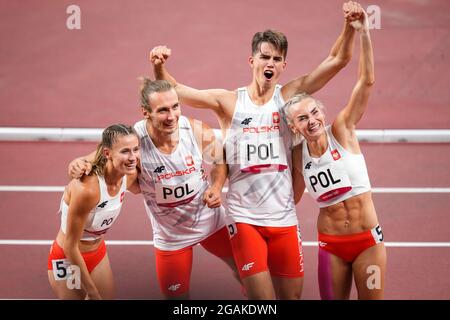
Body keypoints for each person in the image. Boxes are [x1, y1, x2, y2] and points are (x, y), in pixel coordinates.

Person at [150, 2, 364, 300]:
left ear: (283, 66)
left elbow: (337, 60)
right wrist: (160, 65)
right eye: (265, 56)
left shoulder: (289, 97)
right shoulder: (229, 102)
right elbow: (178, 91)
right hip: (244, 218)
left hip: (284, 218)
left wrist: (350, 25)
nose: (271, 63)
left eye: (277, 59)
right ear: (252, 60)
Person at [69, 79, 239, 299]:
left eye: (175, 107)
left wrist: (216, 187)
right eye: (162, 111)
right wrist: (77, 163)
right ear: (145, 112)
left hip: (213, 221)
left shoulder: (194, 130)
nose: (171, 116)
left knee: (248, 273)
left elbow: (220, 160)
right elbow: (91, 161)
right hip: (171, 238)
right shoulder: (133, 140)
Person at [283, 9, 386, 299]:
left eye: (314, 112)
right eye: (302, 119)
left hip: (367, 241)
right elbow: (290, 199)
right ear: (293, 126)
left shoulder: (341, 131)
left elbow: (366, 81)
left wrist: (363, 31)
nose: (311, 120)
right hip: (330, 245)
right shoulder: (297, 155)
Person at [48, 124, 140, 300]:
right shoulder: (88, 190)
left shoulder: (129, 175)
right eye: (125, 151)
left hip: (97, 254)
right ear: (107, 153)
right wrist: (92, 292)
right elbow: (70, 246)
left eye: (136, 149)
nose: (132, 157)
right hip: (68, 258)